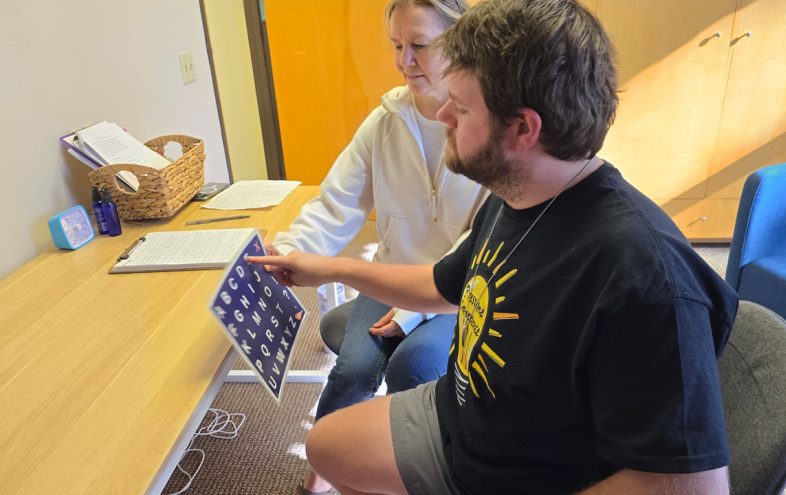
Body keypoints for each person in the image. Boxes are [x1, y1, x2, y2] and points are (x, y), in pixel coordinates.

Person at [249, 0, 738, 493]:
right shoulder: (518, 196)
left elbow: (696, 487)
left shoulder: (647, 279)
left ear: (524, 128)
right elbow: (440, 286)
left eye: (461, 108)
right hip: (466, 420)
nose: (443, 115)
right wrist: (331, 268)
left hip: (525, 474)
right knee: (327, 445)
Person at [270, 1, 485, 493]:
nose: (403, 61)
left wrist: (414, 312)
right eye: (396, 45)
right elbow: (337, 204)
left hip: (454, 291)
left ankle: (417, 469)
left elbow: (478, 247)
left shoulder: (482, 126)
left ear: (460, 43)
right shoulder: (384, 122)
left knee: (416, 364)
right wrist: (289, 250)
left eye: (419, 46)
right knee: (354, 368)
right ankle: (325, 463)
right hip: (390, 276)